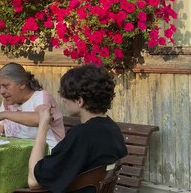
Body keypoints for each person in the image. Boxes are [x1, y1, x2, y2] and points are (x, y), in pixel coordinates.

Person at [28, 64, 128, 192]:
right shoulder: (112, 128)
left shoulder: (82, 135)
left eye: (66, 96)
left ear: (80, 101)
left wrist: (43, 125)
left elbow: (34, 182)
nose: (63, 99)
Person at [0, 62, 65, 151]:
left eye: (5, 86)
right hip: (19, 155)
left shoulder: (41, 97)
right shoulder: (8, 101)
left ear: (22, 84)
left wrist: (5, 114)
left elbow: (41, 118)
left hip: (49, 154)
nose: (1, 91)